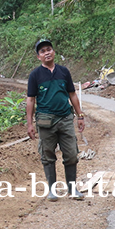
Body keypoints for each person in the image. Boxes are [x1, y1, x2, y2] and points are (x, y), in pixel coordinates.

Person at [26, 39, 86, 201]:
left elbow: (72, 94)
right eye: (43, 51)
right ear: (38, 56)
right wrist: (30, 123)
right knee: (47, 155)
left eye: (49, 49)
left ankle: (72, 189)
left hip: (65, 118)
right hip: (45, 120)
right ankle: (52, 190)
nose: (47, 53)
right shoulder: (35, 75)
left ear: (53, 52)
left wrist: (80, 115)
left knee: (72, 154)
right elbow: (30, 100)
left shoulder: (64, 72)